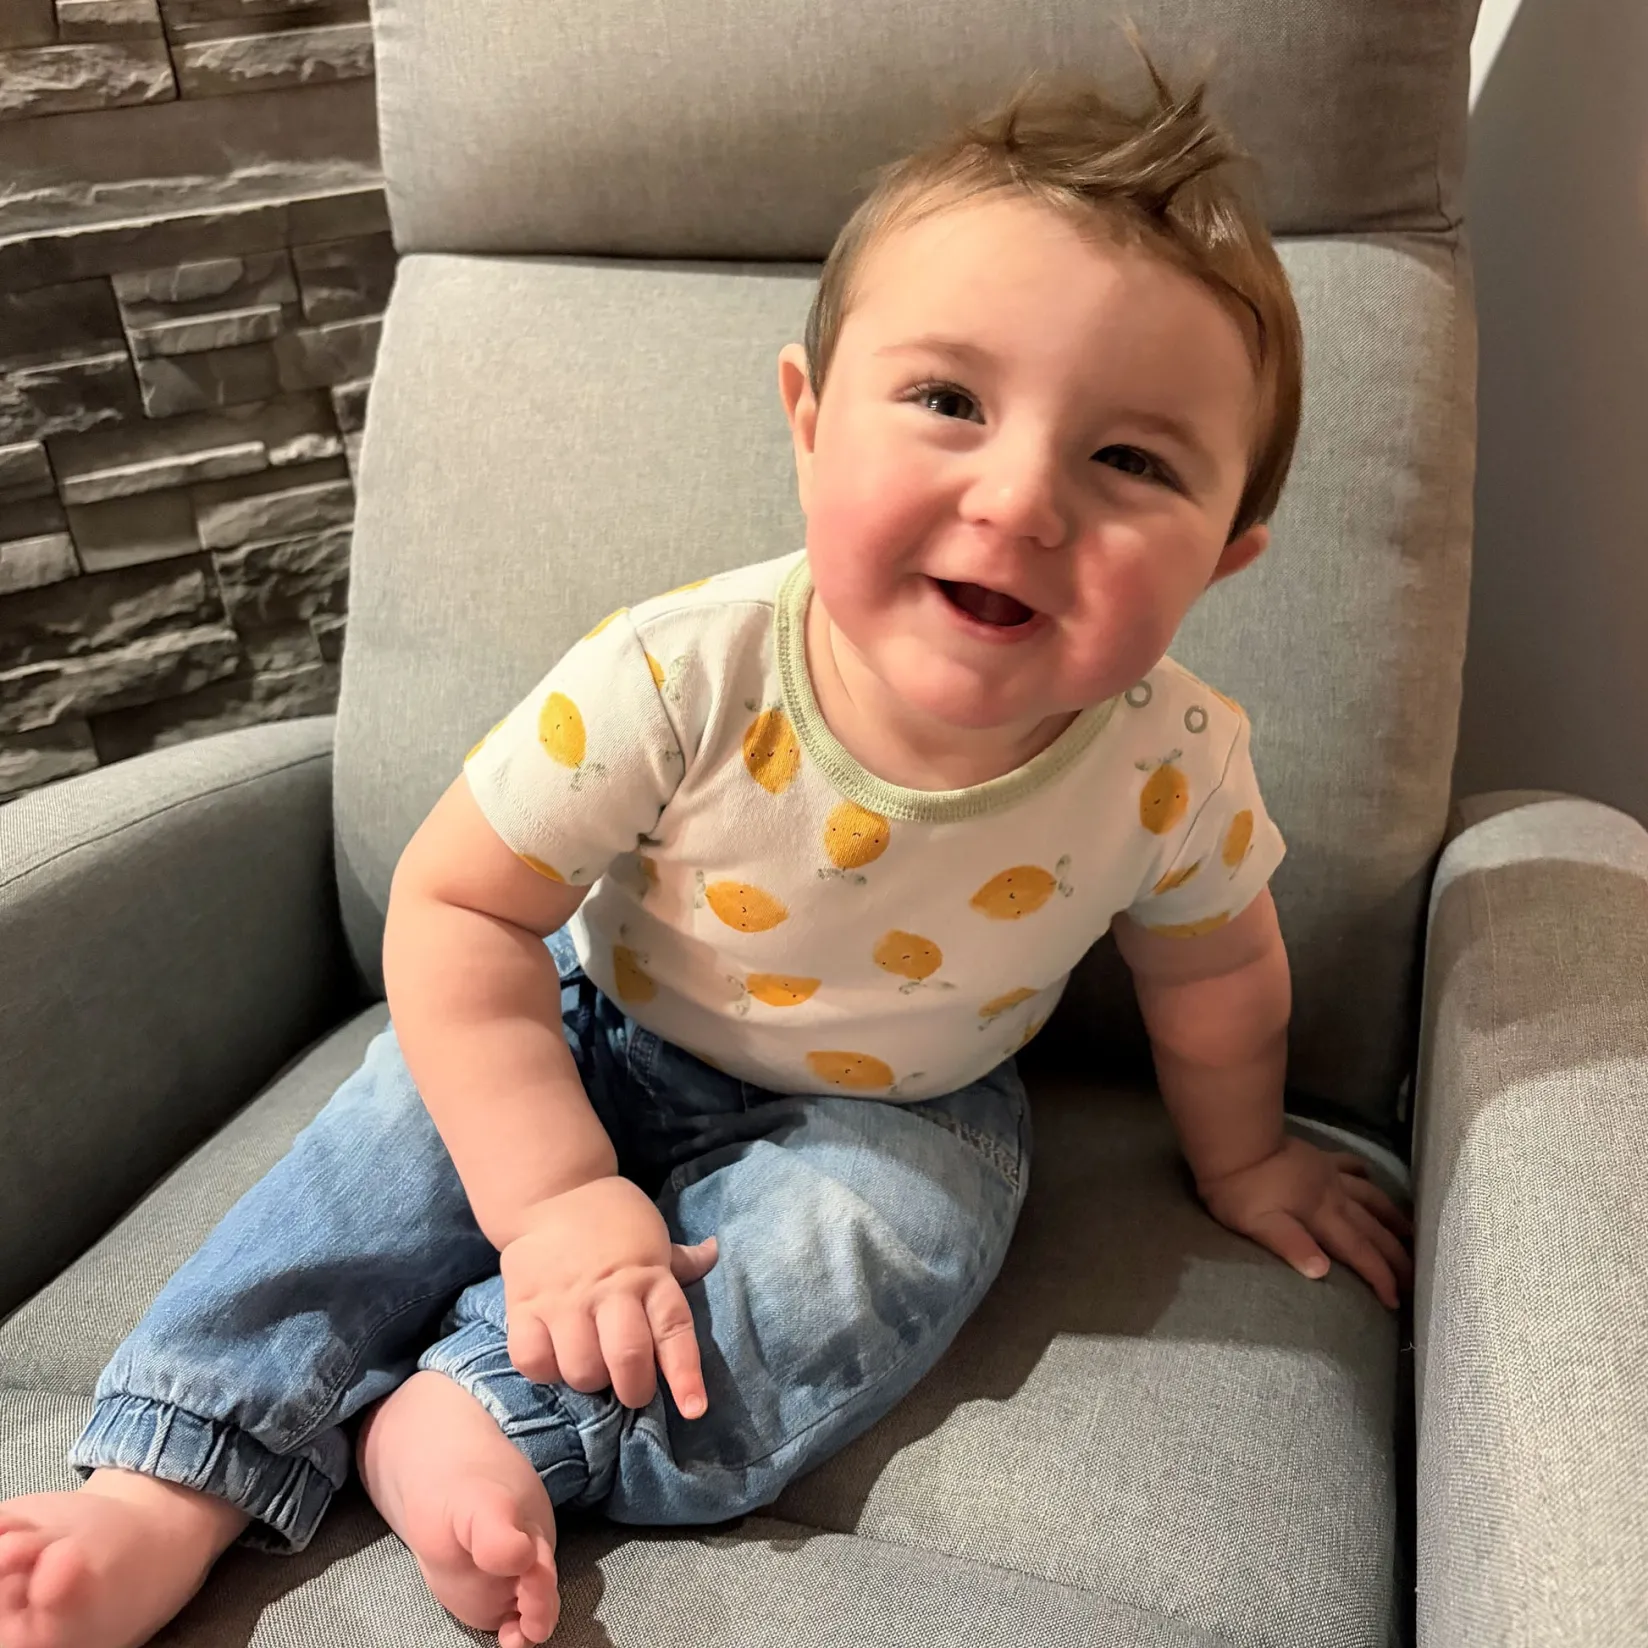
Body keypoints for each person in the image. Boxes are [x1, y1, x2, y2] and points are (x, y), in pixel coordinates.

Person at [0, 61, 1414, 1648]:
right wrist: (553, 1200)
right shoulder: (681, 674)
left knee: (899, 1240)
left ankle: (485, 1415)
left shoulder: (1175, 762)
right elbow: (460, 905)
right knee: (390, 1138)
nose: (1021, 500)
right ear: (808, 423)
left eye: (1134, 462)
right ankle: (171, 1474)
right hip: (596, 1019)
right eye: (949, 402)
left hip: (902, 1106)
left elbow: (1217, 977)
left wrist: (1247, 1159)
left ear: (1224, 557)